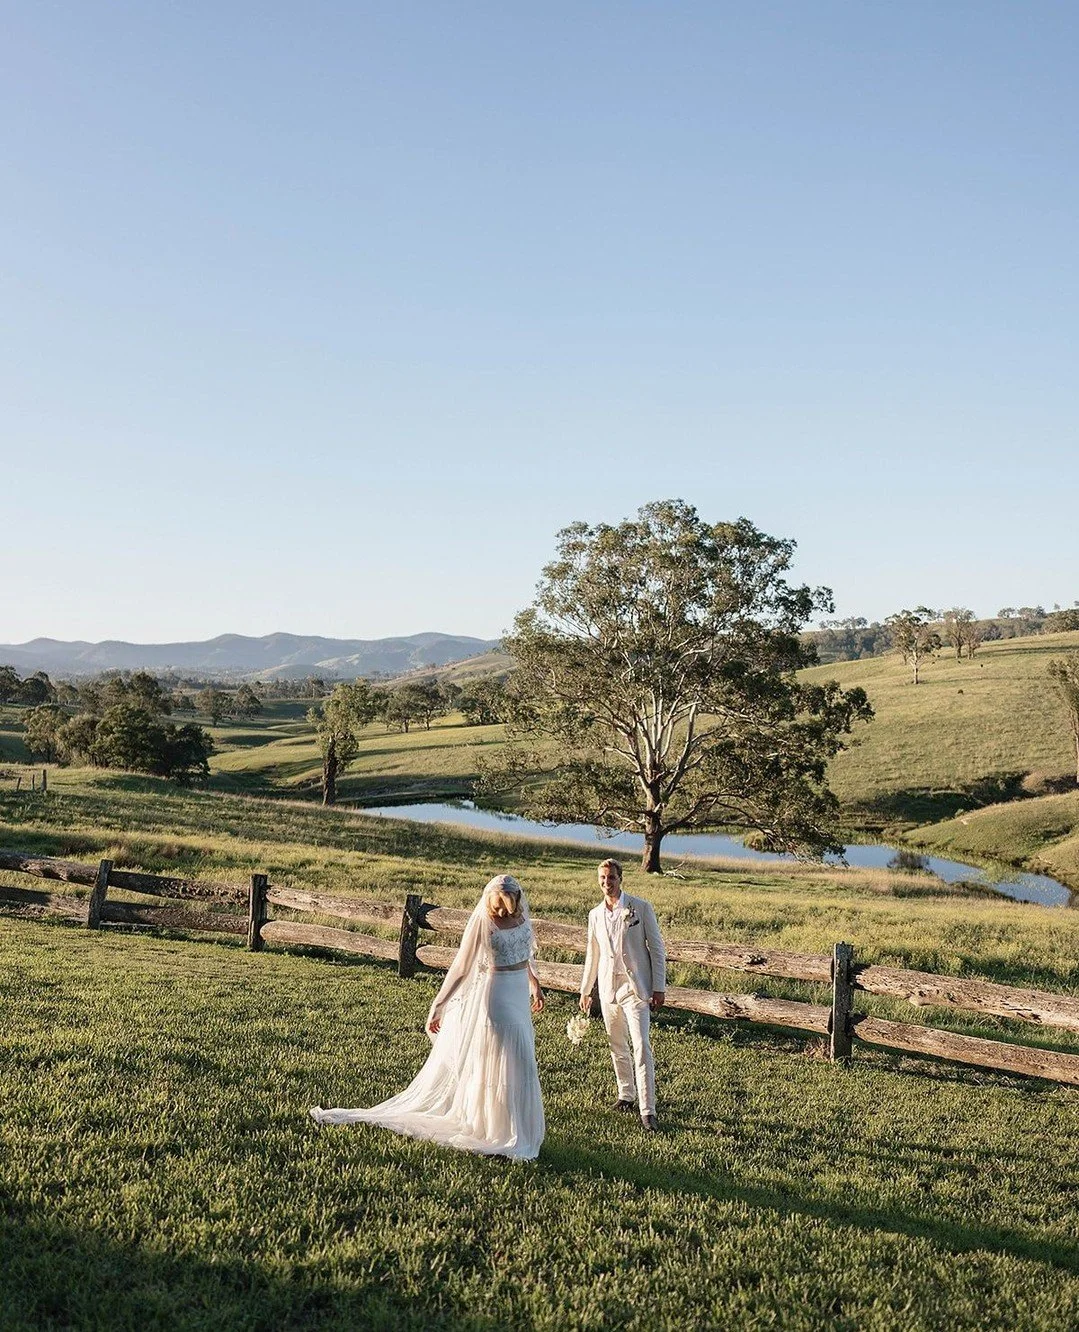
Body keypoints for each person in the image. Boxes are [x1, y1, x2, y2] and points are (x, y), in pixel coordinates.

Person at [310, 874, 546, 1160]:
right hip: (497, 998)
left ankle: (515, 1128)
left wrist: (534, 984)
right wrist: (440, 1003)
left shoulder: (523, 920)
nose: (512, 900)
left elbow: (525, 954)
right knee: (503, 1059)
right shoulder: (485, 923)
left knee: (521, 1061)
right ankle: (494, 1130)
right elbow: (461, 967)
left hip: (518, 992)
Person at [579, 858, 666, 1131]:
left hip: (636, 989)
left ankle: (648, 1110)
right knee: (616, 1044)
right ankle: (626, 1094)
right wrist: (585, 990)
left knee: (641, 1046)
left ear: (621, 878)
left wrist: (658, 987)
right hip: (607, 988)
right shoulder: (594, 915)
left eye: (611, 878)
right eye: (602, 878)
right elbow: (592, 955)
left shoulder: (640, 908)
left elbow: (657, 948)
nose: (607, 883)